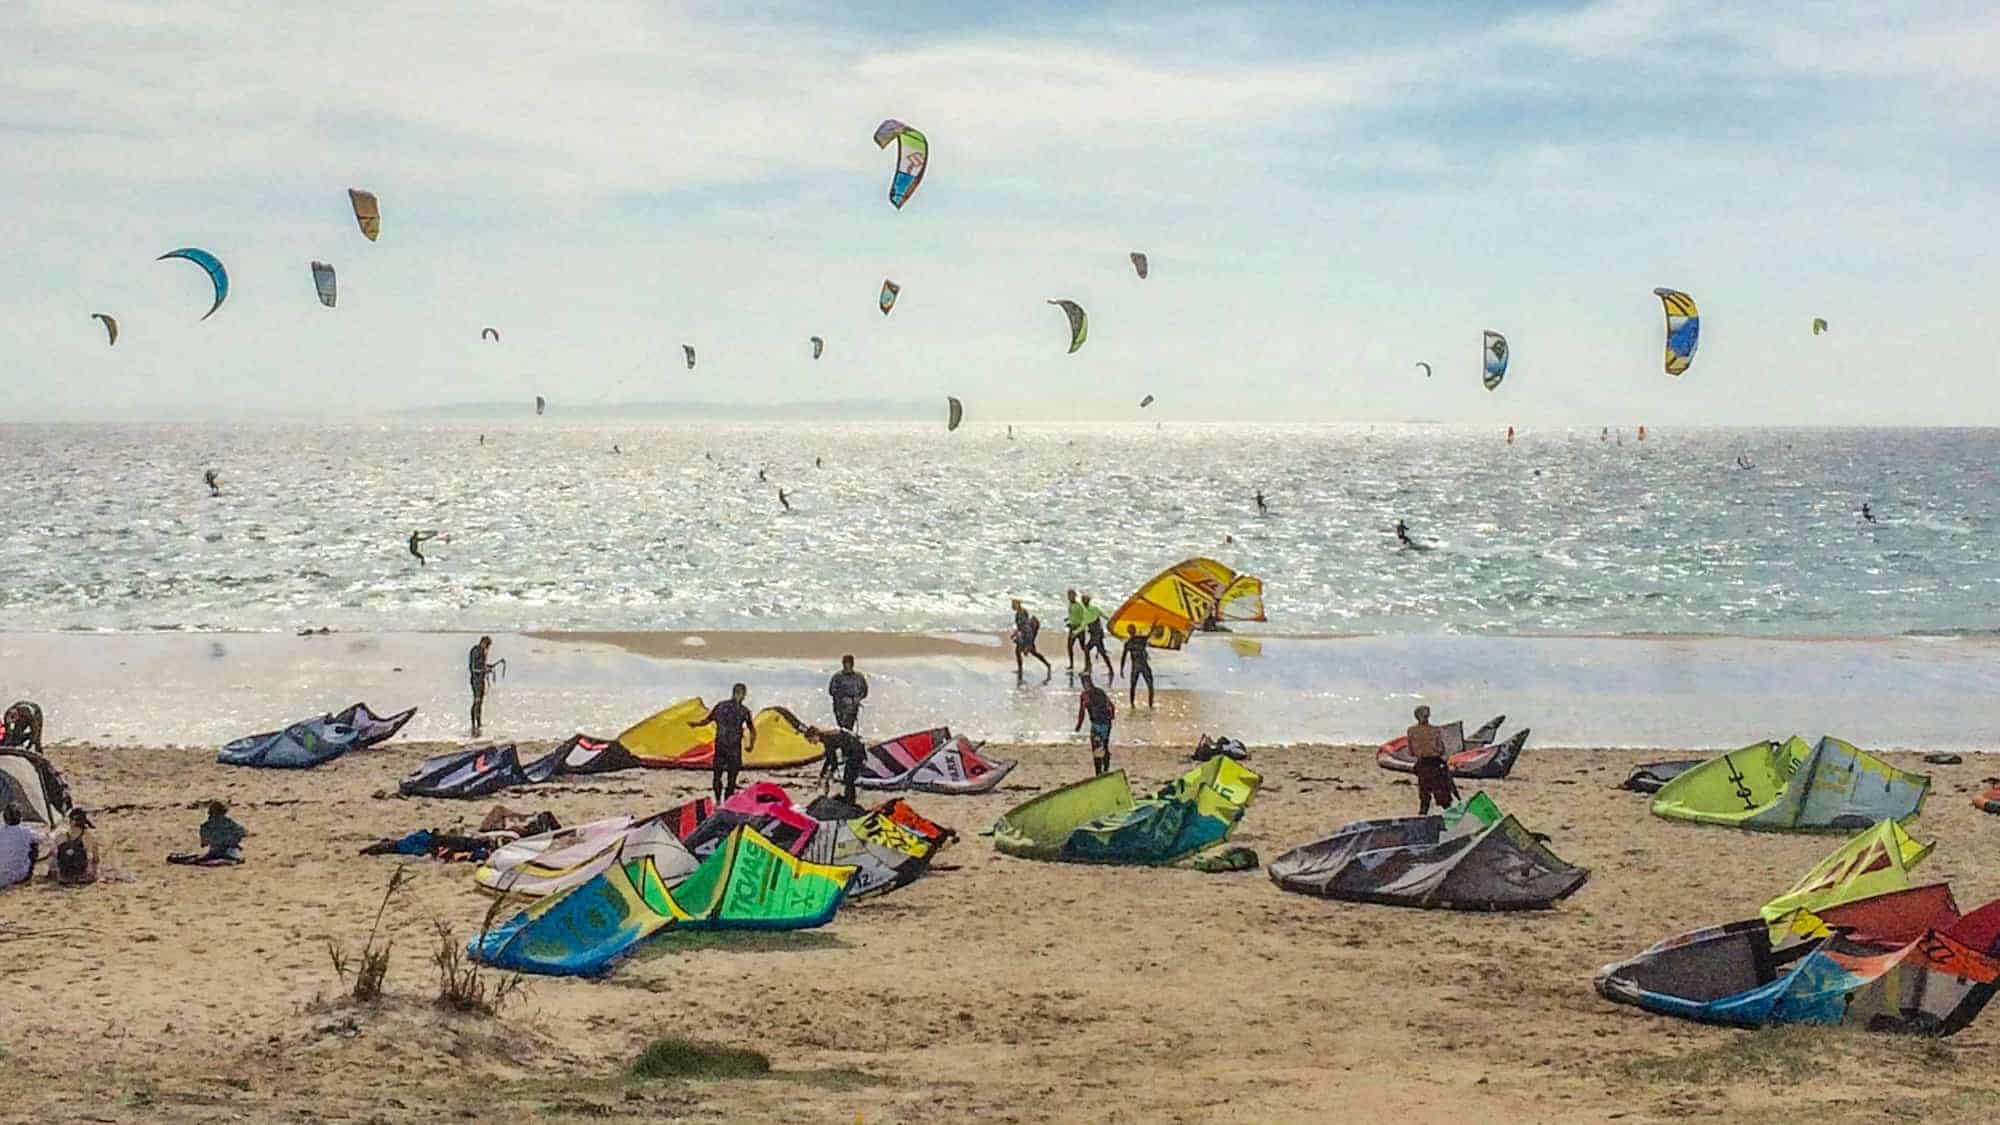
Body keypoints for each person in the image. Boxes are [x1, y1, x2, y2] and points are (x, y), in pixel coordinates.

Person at [689, 684, 757, 803]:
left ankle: (718, 802)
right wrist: (751, 745)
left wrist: (696, 724)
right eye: (743, 693)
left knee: (718, 776)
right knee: (730, 779)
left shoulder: (721, 706)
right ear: (742, 695)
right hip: (733, 748)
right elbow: (752, 730)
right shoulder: (743, 711)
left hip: (721, 745)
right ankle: (725, 803)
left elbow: (706, 721)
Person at [1407, 705, 1459, 815]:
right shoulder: (1435, 730)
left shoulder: (1411, 731)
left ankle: (1423, 816)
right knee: (1443, 796)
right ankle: (1451, 817)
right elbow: (1441, 749)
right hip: (1435, 764)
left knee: (1425, 796)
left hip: (1422, 764)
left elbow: (1411, 752)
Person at [170, 800, 246, 865]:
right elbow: (242, 833)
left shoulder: (205, 826)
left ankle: (178, 858)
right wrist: (234, 842)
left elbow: (204, 844)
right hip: (229, 851)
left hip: (214, 851)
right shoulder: (230, 823)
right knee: (232, 858)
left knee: (198, 859)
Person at [807, 725, 866, 804]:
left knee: (848, 777)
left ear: (815, 735)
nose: (812, 743)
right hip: (855, 748)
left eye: (810, 740)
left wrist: (829, 773)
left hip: (856, 751)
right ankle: (849, 799)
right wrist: (823, 774)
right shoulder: (826, 736)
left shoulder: (827, 738)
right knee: (848, 777)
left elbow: (833, 761)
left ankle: (850, 801)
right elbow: (829, 758)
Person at [1075, 673, 1116, 775]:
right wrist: (1112, 716)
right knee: (1105, 746)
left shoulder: (1085, 695)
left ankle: (1098, 772)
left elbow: (1082, 712)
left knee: (1096, 748)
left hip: (1096, 724)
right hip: (1106, 723)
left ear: (1084, 683)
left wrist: (1078, 726)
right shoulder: (1100, 691)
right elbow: (1111, 705)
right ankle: (1106, 769)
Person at [48, 808, 98, 886]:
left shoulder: (60, 835)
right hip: (81, 874)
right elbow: (95, 859)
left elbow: (52, 855)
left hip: (63, 875)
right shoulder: (89, 837)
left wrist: (52, 872)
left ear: (70, 821)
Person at [0, 806, 40, 888]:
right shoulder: (26, 831)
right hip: (20, 875)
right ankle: (27, 877)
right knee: (34, 845)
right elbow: (43, 838)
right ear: (20, 818)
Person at [1011, 599, 1051, 681]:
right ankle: (1020, 669)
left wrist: (1028, 643)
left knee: (1032, 652)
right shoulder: (1018, 613)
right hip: (1023, 635)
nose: (1012, 606)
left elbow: (1027, 628)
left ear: (1018, 604)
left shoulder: (1022, 613)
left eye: (1013, 604)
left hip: (1027, 636)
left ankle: (1047, 664)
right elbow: (1019, 627)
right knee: (1019, 652)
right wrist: (1015, 633)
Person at [827, 655, 868, 733]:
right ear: (843, 664)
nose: (847, 665)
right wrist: (843, 698)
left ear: (852, 664)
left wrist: (858, 698)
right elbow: (831, 691)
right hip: (840, 707)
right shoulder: (837, 677)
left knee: (849, 727)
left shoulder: (859, 677)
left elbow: (864, 691)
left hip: (853, 707)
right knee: (842, 728)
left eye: (849, 663)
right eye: (845, 663)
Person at [1118, 625, 1155, 709]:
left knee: (1150, 685)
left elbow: (1150, 634)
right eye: (1130, 631)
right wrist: (1121, 669)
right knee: (1133, 686)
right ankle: (1132, 704)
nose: (1132, 632)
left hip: (1142, 665)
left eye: (1132, 630)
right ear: (1129, 632)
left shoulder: (1140, 639)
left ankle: (1150, 704)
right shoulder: (1129, 643)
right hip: (1137, 666)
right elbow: (1123, 656)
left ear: (1134, 630)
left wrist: (1154, 624)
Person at [1078, 594, 1114, 680]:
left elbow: (1105, 617)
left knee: (1087, 648)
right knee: (1101, 652)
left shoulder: (1094, 609)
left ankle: (1088, 668)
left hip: (1097, 634)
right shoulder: (1084, 610)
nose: (1084, 601)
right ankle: (1110, 670)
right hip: (1095, 634)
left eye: (1085, 600)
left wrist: (1113, 624)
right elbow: (1084, 623)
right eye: (1083, 600)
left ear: (1088, 601)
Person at [467, 636, 496, 737]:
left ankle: (478, 723)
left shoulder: (481, 651)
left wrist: (488, 666)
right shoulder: (476, 651)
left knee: (480, 702)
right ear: (483, 643)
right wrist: (484, 670)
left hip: (481, 680)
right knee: (477, 701)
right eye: (487, 646)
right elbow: (474, 668)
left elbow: (481, 666)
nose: (488, 648)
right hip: (476, 680)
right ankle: (473, 724)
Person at [1062, 588, 1085, 671]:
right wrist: (1068, 619)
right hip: (1072, 628)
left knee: (1083, 647)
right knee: (1069, 647)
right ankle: (1071, 665)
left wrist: (1079, 628)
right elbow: (1072, 615)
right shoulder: (1070, 604)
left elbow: (1083, 618)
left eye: (1071, 595)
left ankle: (1088, 664)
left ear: (1075, 596)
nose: (1069, 597)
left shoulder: (1079, 606)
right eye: (1068, 595)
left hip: (1079, 629)